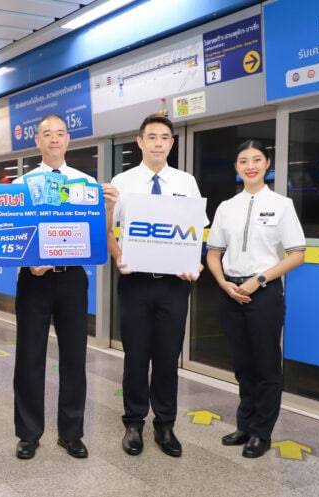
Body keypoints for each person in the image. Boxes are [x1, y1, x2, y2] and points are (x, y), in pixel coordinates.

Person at [12, 114, 117, 459]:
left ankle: (71, 433)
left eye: (60, 133)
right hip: (34, 279)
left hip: (72, 279)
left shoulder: (86, 184)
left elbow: (98, 235)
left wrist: (108, 208)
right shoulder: (22, 185)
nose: (54, 139)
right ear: (38, 141)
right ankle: (28, 434)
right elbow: (15, 233)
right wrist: (29, 260)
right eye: (47, 134)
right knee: (29, 357)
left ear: (68, 140)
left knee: (74, 356)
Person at [108, 114, 204, 458]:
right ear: (140, 141)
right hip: (135, 282)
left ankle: (165, 424)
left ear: (172, 143)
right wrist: (118, 256)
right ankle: (134, 423)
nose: (158, 143)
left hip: (174, 286)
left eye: (165, 137)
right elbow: (107, 228)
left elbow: (195, 231)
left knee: (166, 357)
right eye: (152, 137)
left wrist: (194, 263)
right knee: (135, 357)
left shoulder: (186, 182)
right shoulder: (122, 181)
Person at [206, 140, 305, 458]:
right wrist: (224, 283)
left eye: (257, 159)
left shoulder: (282, 204)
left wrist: (259, 280)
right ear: (236, 166)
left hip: (264, 293)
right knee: (242, 365)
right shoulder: (226, 207)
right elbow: (213, 253)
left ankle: (262, 433)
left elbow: (297, 254)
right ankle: (245, 425)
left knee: (266, 365)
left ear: (267, 164)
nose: (250, 166)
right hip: (231, 292)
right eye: (244, 160)